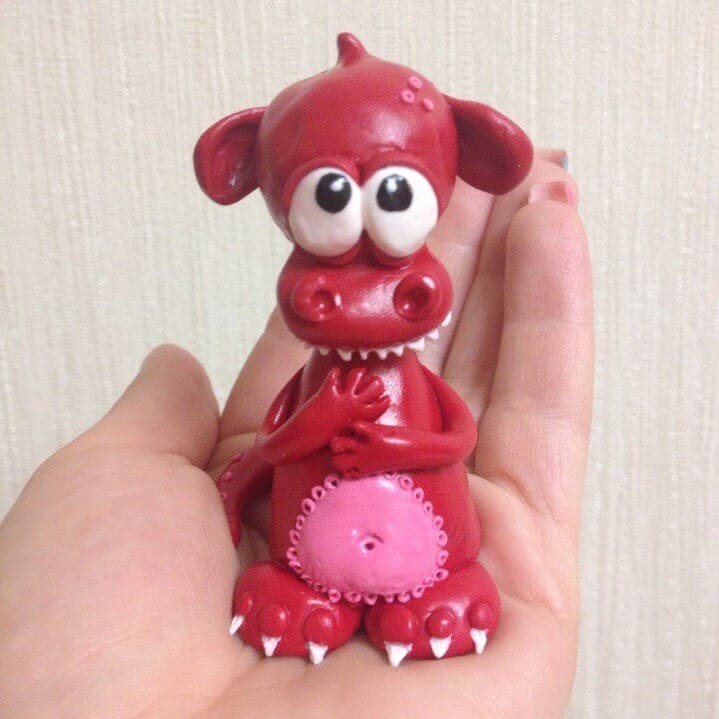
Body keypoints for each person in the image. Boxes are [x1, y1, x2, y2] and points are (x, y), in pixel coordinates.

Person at [0, 149, 592, 718]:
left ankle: (442, 586)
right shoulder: (310, 384)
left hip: (430, 557)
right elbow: (274, 450)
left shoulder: (419, 384)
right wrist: (321, 419)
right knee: (289, 595)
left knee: (440, 588)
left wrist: (392, 447)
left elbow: (458, 443)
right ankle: (302, 590)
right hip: (308, 561)